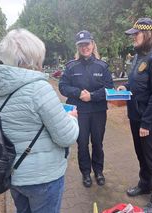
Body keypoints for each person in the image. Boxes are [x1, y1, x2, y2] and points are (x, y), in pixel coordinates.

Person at [0, 29, 79, 213]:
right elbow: (66, 137)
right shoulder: (39, 89)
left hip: (13, 174)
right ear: (29, 59)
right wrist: (72, 119)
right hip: (43, 177)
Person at [117, 18, 152, 213]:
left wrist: (146, 123)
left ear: (147, 35)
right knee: (141, 155)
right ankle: (145, 184)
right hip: (135, 116)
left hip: (149, 121)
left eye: (135, 35)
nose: (133, 39)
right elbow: (136, 83)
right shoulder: (138, 57)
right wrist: (125, 87)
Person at [59, 30, 114, 188]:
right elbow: (62, 86)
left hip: (98, 111)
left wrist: (93, 96)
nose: (85, 47)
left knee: (97, 143)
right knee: (82, 144)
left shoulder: (102, 66)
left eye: (87, 44)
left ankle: (98, 171)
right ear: (78, 47)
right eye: (81, 45)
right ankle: (85, 173)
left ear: (92, 44)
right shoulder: (71, 66)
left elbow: (109, 88)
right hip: (79, 112)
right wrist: (78, 93)